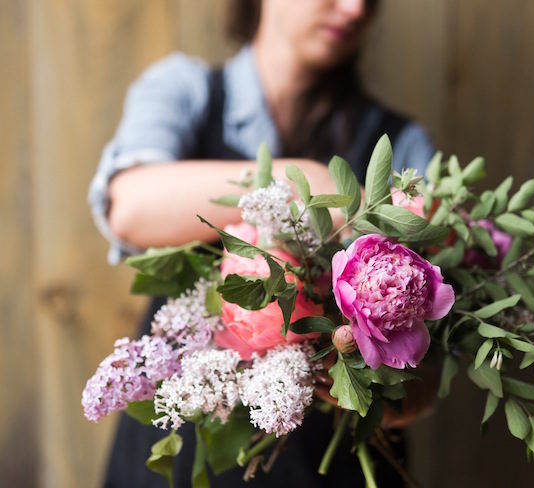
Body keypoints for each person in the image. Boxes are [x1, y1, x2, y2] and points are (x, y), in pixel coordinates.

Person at [89, 1, 435, 486]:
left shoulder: (403, 147)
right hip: (183, 462)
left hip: (329, 470)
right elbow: (128, 207)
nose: (356, 9)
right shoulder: (186, 91)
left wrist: (360, 373)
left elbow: (424, 386)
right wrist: (299, 185)